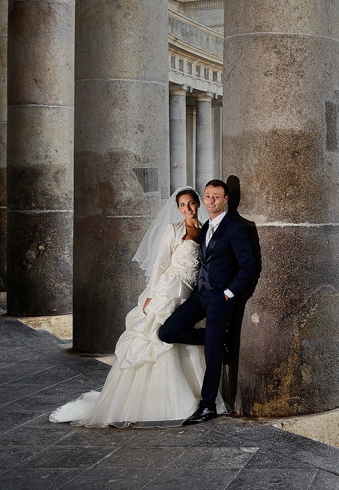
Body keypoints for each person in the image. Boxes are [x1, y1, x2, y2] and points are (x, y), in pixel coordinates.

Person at [50, 188, 209, 427]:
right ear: (178, 208)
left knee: (179, 335)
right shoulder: (173, 230)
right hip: (168, 289)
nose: (188, 208)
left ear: (198, 204)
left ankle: (191, 390)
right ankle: (156, 401)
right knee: (155, 339)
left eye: (191, 203)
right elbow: (159, 263)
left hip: (190, 292)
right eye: (183, 205)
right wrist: (152, 293)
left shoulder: (205, 229)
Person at [158, 179, 258, 426]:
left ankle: (207, 406)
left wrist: (228, 293)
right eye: (207, 196)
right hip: (200, 294)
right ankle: (217, 340)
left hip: (220, 298)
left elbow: (249, 267)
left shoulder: (236, 228)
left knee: (213, 353)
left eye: (216, 196)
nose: (210, 200)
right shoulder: (203, 229)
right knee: (167, 331)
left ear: (225, 200)